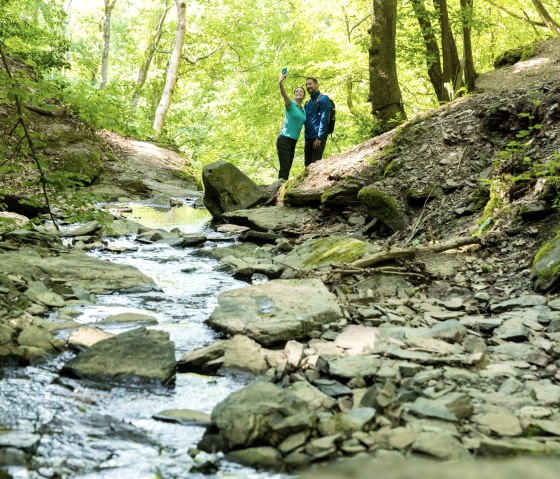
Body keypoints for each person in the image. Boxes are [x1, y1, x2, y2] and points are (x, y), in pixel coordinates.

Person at [276, 72, 306, 180]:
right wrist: (280, 82)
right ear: (294, 95)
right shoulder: (290, 104)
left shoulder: (304, 110)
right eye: (297, 91)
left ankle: (281, 189)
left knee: (288, 167)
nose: (299, 93)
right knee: (284, 167)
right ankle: (279, 191)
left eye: (301, 92)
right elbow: (284, 95)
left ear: (303, 96)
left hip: (293, 141)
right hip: (284, 139)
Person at [304, 77, 332, 166]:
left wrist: (319, 138)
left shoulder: (323, 99)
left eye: (310, 84)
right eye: (307, 85)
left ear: (316, 84)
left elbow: (325, 118)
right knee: (307, 165)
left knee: (315, 165)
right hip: (308, 138)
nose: (308, 86)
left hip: (318, 138)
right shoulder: (307, 103)